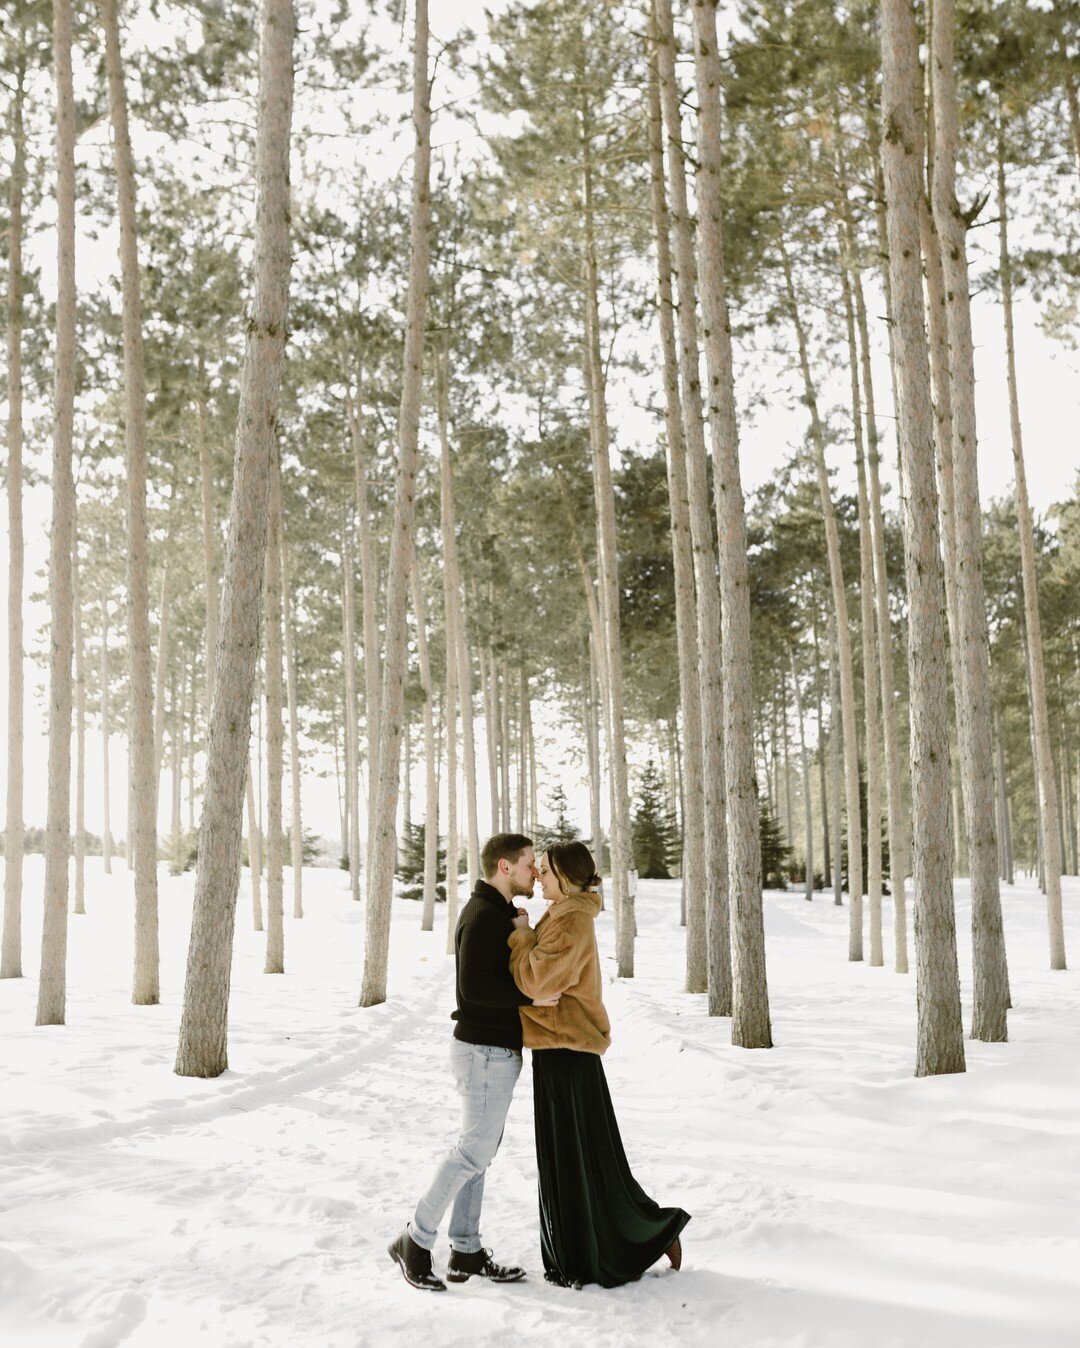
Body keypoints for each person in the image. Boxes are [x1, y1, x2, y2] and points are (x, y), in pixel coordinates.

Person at [508, 840, 690, 1289]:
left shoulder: (569, 921)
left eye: (546, 871)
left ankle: (629, 1240)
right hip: (561, 1048)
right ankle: (629, 1237)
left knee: (581, 1159)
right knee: (585, 1158)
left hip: (567, 1050)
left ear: (566, 878)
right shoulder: (565, 914)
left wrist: (520, 935)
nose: (538, 877)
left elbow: (535, 978)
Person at [388, 832, 560, 1292]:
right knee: (472, 1152)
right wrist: (533, 995)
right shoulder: (482, 914)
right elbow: (474, 988)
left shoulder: (499, 913)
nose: (534, 873)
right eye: (528, 865)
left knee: (480, 1155)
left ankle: (464, 1250)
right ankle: (415, 1239)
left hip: (494, 1051)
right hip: (482, 1051)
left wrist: (520, 927)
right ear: (505, 867)